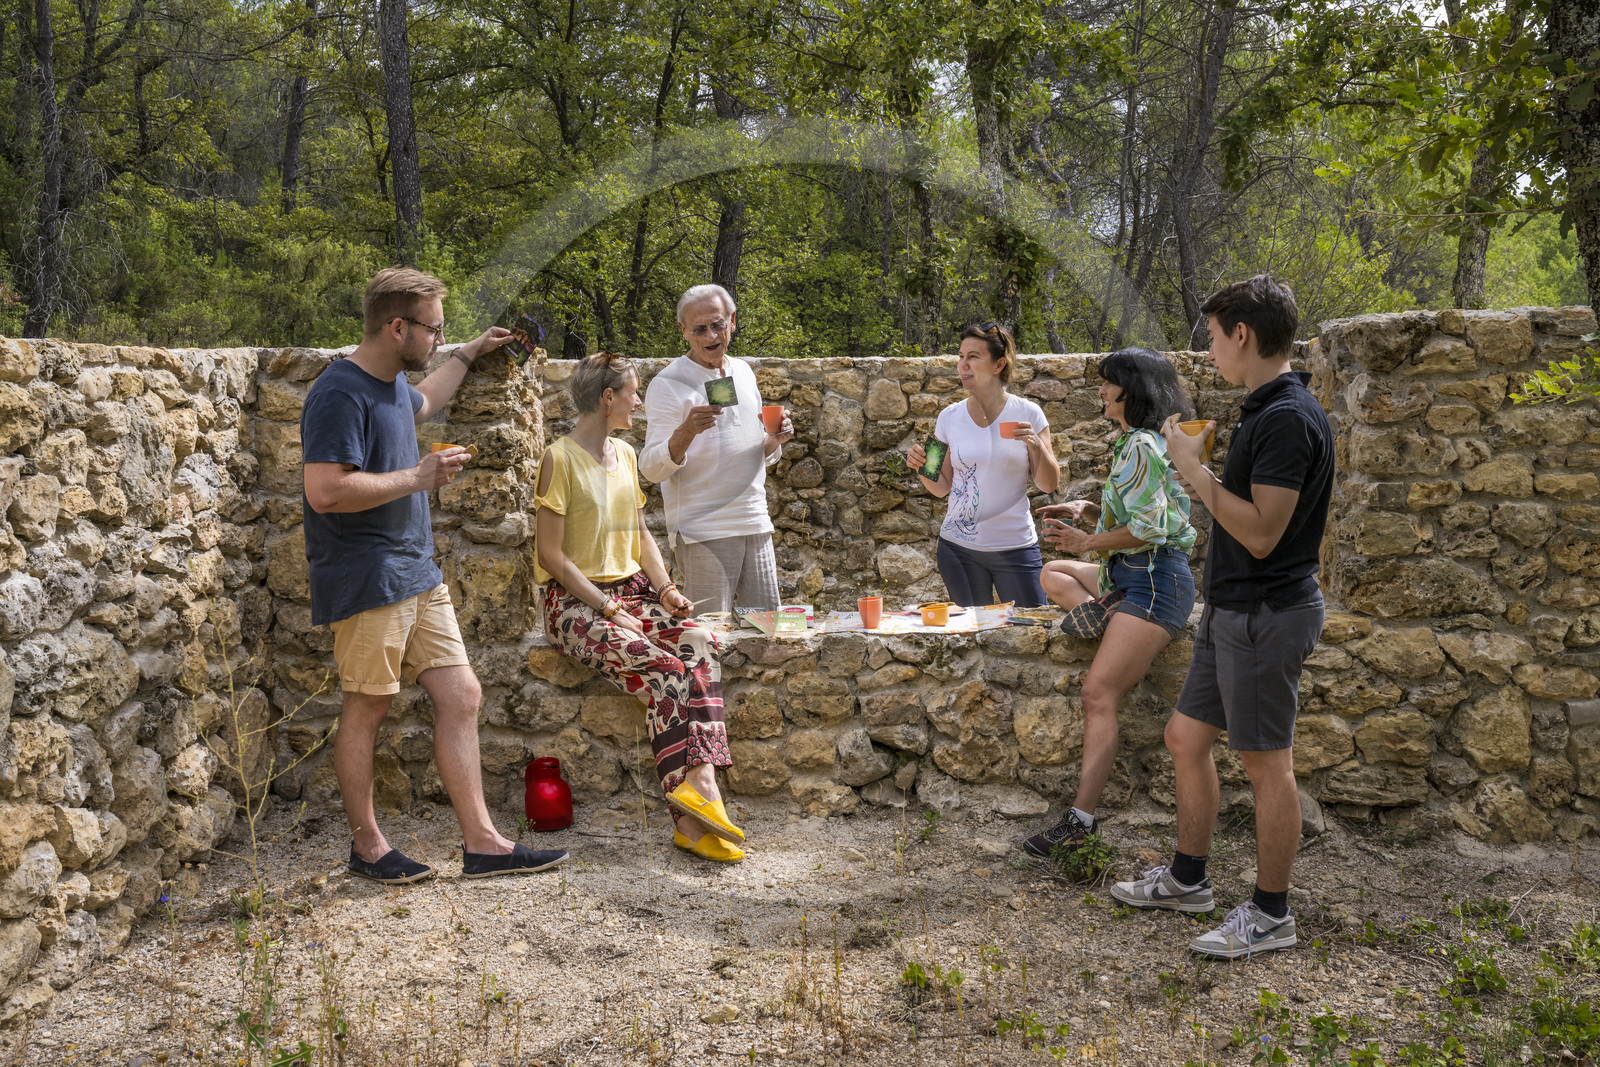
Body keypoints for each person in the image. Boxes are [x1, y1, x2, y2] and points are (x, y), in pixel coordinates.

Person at [301, 267, 568, 884]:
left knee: (461, 694)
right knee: (368, 706)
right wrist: (417, 478)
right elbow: (326, 491)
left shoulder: (394, 384)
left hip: (416, 570)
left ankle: (484, 844)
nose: (438, 341)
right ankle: (367, 848)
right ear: (398, 328)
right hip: (367, 575)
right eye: (434, 331)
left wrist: (471, 353)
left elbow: (428, 401)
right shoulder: (339, 393)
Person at [1109, 275, 1334, 961]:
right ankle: (1188, 877)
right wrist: (1202, 469)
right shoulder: (1263, 409)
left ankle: (1271, 914)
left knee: (1268, 765)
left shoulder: (1288, 418)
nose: (1207, 350)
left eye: (1212, 335)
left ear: (1243, 334)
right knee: (1184, 736)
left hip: (1267, 612)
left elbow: (1264, 532)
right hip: (1232, 608)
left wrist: (1193, 473)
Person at [536, 351, 746, 863]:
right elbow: (550, 554)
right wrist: (608, 609)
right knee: (667, 670)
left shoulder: (626, 455)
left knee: (699, 640)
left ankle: (698, 797)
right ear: (607, 398)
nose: (639, 402)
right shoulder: (558, 458)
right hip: (574, 604)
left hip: (631, 591)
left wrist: (667, 588)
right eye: (632, 392)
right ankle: (699, 813)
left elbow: (638, 534)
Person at [1020, 347, 1198, 859]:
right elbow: (1145, 509)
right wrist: (1088, 509)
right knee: (1051, 572)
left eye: (1108, 383)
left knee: (1098, 694)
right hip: (1130, 575)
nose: (1100, 391)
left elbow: (1149, 528)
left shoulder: (1140, 445)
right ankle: (1114, 613)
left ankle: (1079, 822)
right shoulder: (1133, 443)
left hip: (1155, 581)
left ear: (1131, 390)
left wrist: (1085, 542)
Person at [639, 284, 794, 614]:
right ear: (683, 331)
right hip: (703, 531)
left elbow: (746, 454)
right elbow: (651, 469)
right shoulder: (669, 384)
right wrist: (687, 431)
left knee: (767, 636)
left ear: (733, 321)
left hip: (755, 520)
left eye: (718, 324)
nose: (711, 336)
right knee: (708, 640)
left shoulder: (743, 372)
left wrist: (774, 441)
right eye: (699, 329)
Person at [908, 322, 1058, 607]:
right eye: (961, 356)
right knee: (972, 639)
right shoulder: (947, 417)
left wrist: (1037, 446)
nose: (963, 364)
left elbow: (1048, 484)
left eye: (973, 357)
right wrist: (921, 466)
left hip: (1015, 548)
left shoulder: (1030, 413)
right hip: (958, 550)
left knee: (1030, 631)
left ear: (999, 364)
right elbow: (940, 487)